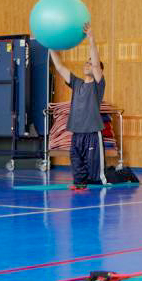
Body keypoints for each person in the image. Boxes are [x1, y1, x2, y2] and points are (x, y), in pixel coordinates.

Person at [49, 23, 107, 189]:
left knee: (95, 174)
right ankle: (79, 184)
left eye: (90, 63)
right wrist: (50, 47)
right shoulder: (76, 83)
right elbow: (60, 67)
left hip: (92, 132)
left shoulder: (98, 84)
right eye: (86, 62)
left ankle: (98, 185)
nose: (87, 64)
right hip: (77, 131)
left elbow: (96, 64)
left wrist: (91, 38)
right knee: (76, 159)